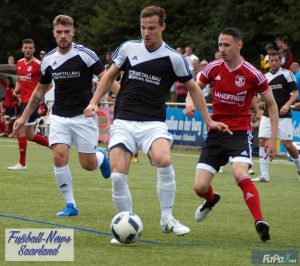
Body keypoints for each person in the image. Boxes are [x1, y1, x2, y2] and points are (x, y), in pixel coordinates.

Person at [84, 5, 230, 243]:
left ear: (162, 27)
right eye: (143, 28)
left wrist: (209, 120)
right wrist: (93, 102)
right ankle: (123, 221)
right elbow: (109, 76)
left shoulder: (174, 58)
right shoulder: (128, 48)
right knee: (119, 175)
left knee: (163, 159)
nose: (146, 33)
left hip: (153, 122)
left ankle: (167, 218)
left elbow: (194, 88)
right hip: (124, 120)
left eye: (151, 28)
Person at [13, 15, 118, 216]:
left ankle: (101, 157)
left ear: (73, 32)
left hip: (84, 116)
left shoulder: (85, 54)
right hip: (60, 117)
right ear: (53, 33)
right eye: (59, 32)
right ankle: (71, 205)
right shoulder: (48, 60)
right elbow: (39, 91)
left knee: (87, 165)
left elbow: (107, 79)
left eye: (67, 32)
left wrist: (124, 96)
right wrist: (23, 117)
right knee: (59, 157)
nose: (63, 36)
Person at [185, 27, 279, 242]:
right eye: (220, 45)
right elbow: (194, 88)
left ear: (239, 44)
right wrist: (190, 103)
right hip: (216, 132)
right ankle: (211, 199)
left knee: (240, 173)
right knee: (200, 187)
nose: (222, 49)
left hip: (239, 133)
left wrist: (273, 139)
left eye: (226, 45)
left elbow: (272, 105)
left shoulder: (252, 73)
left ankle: (259, 221)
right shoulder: (212, 68)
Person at [253, 50, 300, 182]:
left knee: (288, 145)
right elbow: (260, 97)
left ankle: (299, 167)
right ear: (268, 62)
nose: (273, 63)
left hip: (284, 116)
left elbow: (295, 93)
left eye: (276, 61)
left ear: (280, 61)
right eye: (271, 61)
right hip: (268, 115)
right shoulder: (264, 76)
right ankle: (264, 174)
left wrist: (287, 105)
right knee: (262, 140)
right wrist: (260, 103)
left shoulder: (287, 74)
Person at [7, 39, 49, 170]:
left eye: (30, 48)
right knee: (30, 135)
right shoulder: (19, 63)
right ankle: (55, 146)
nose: (28, 50)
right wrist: (16, 90)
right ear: (22, 49)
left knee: (20, 130)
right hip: (23, 102)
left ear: (34, 50)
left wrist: (39, 97)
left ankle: (22, 164)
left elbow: (49, 84)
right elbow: (19, 80)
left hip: (32, 104)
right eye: (26, 47)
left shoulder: (39, 64)